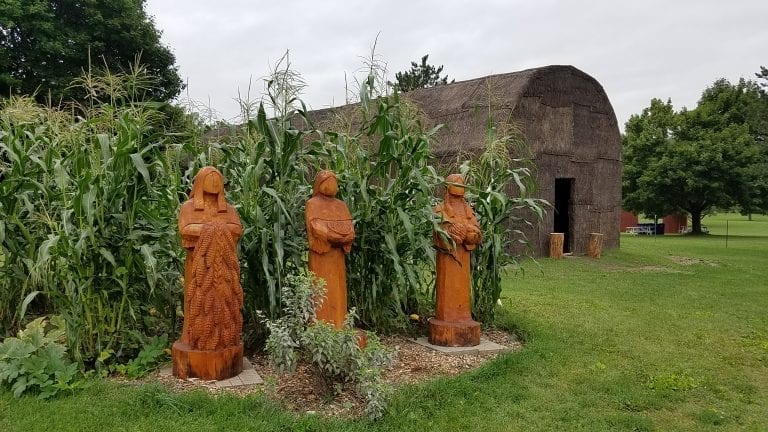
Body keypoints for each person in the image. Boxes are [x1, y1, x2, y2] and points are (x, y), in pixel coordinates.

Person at [430, 174, 482, 346]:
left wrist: (472, 234)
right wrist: (450, 234)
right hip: (448, 258)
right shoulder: (440, 209)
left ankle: (463, 316)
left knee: (462, 287)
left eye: (462, 184)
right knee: (448, 287)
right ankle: (447, 316)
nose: (460, 186)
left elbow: (476, 230)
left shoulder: (468, 211)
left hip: (463, 258)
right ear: (447, 187)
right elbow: (438, 231)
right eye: (456, 183)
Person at [305, 170, 355, 328]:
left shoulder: (341, 205)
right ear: (319, 185)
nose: (332, 185)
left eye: (334, 182)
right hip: (321, 255)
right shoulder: (312, 204)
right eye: (327, 181)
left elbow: (350, 228)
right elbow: (316, 227)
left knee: (338, 290)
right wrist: (334, 236)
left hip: (337, 256)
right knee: (321, 289)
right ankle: (321, 325)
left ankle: (340, 322)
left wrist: (346, 237)